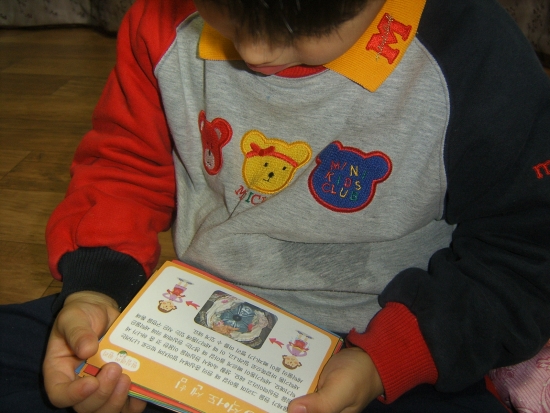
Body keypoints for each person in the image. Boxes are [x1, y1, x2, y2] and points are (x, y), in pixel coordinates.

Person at [1, 0, 549, 411]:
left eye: (304, 28)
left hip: (381, 347)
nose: (255, 53)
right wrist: (98, 288)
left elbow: (523, 255)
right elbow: (123, 166)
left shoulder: (478, 55)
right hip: (190, 326)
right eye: (226, 11)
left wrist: (387, 360)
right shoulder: (163, 19)